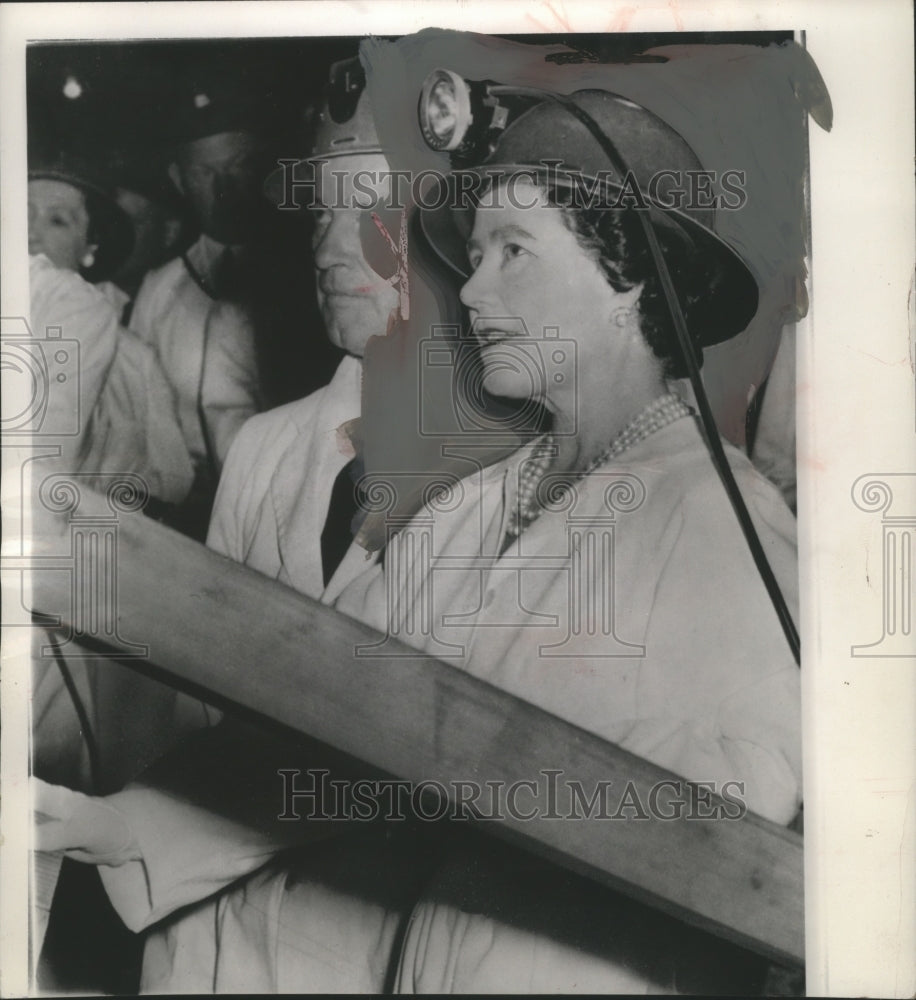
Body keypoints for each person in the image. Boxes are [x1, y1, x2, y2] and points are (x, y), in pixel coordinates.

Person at [36, 79, 801, 993]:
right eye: (474, 256)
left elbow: (767, 811)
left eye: (513, 252)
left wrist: (506, 763)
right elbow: (332, 720)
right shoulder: (464, 510)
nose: (470, 289)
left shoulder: (721, 517)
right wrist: (130, 827)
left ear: (628, 276)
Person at [127, 73, 269, 539]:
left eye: (240, 165)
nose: (225, 187)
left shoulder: (300, 278)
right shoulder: (160, 288)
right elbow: (138, 414)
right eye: (204, 173)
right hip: (189, 523)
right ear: (178, 180)